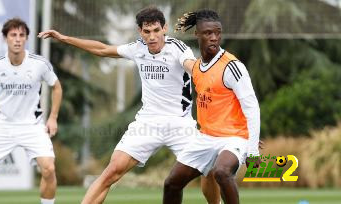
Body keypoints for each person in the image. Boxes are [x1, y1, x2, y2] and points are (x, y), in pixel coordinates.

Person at [38, 6, 221, 204]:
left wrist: (205, 72)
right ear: (140, 32)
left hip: (180, 124)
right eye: (147, 31)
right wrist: (64, 38)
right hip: (147, 124)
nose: (152, 37)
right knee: (111, 172)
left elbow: (191, 66)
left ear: (164, 28)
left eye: (156, 30)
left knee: (209, 170)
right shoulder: (137, 48)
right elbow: (102, 49)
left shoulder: (178, 48)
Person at [163, 9, 261, 204]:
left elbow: (252, 108)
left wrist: (252, 149)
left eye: (217, 33)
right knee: (171, 183)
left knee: (222, 172)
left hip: (234, 138)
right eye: (208, 33)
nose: (214, 38)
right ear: (197, 34)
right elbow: (179, 54)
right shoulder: (197, 67)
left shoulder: (232, 67)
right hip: (205, 138)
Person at [0, 18, 62, 204]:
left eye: (22, 35)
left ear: (26, 39)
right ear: (5, 38)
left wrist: (53, 117)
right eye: (13, 35)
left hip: (32, 126)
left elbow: (56, 87)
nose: (17, 39)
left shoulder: (39, 64)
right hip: (3, 126)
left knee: (48, 168)